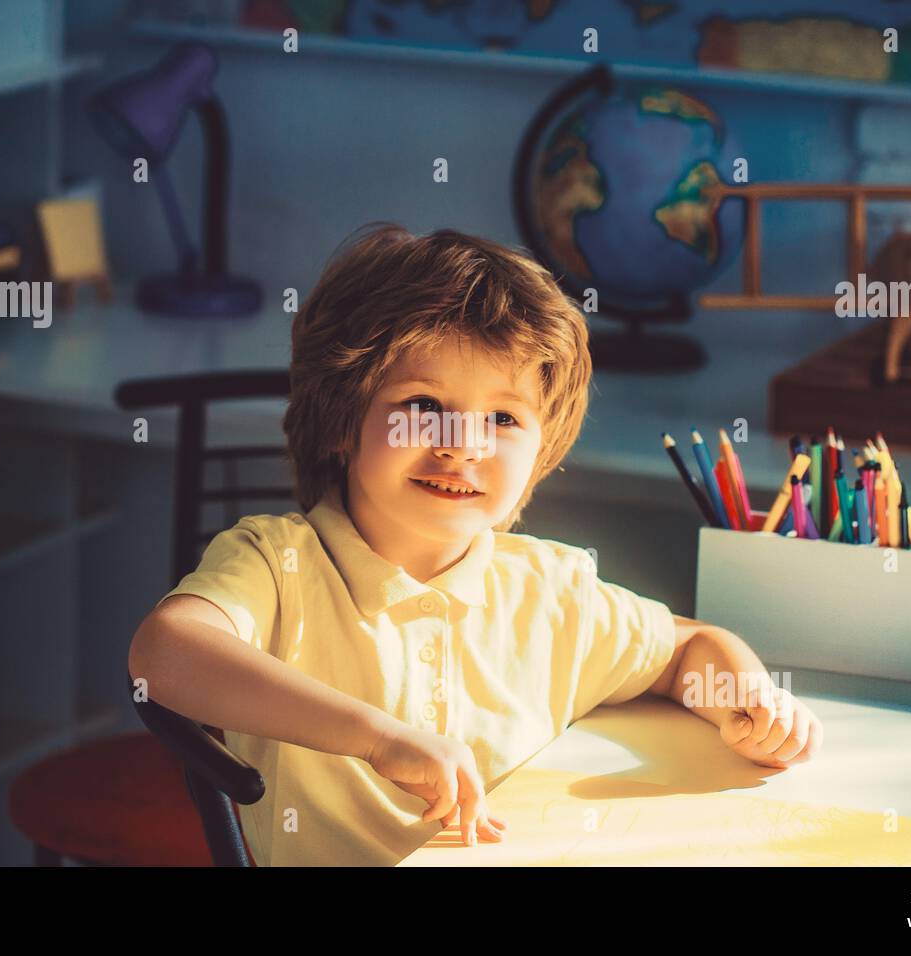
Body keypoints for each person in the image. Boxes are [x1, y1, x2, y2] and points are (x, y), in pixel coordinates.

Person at [128, 223, 823, 866]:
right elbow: (163, 654)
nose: (462, 447)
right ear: (341, 420)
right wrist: (376, 737)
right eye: (423, 407)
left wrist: (749, 697)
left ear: (540, 451)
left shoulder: (551, 592)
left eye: (502, 417)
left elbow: (684, 650)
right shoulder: (278, 564)